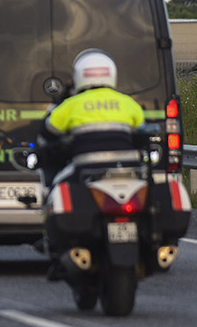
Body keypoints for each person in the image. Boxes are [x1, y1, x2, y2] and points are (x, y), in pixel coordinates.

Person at [37, 49, 145, 278]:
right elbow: (143, 132)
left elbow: (46, 135)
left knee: (54, 193)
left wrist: (60, 98)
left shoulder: (71, 105)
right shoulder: (127, 103)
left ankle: (57, 251)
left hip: (85, 170)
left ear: (79, 77)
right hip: (128, 171)